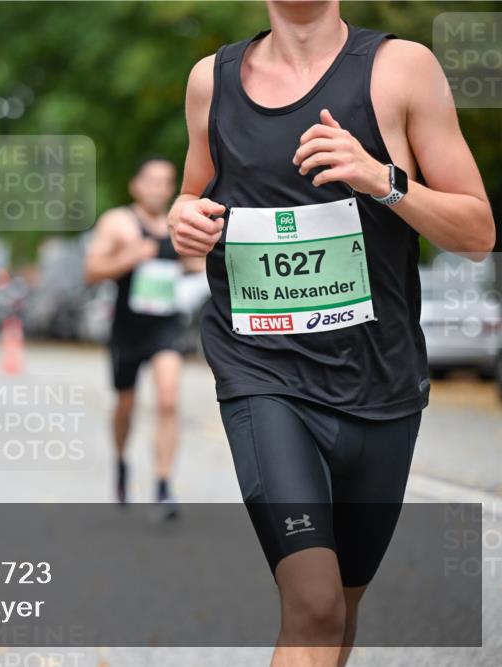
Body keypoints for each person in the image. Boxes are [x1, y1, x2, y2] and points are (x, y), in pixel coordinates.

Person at [169, 2, 495, 665]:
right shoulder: (212, 80)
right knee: (312, 601)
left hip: (381, 381)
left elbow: (478, 232)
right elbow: (191, 195)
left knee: (340, 607)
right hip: (264, 372)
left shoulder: (402, 71)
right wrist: (184, 220)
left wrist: (382, 180)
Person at [85, 157, 203, 518]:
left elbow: (197, 264)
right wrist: (129, 257)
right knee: (126, 405)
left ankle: (164, 485)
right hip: (127, 329)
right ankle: (121, 461)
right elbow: (91, 270)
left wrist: (198, 262)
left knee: (168, 401)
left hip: (165, 327)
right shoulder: (118, 223)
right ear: (136, 185)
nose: (158, 188)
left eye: (165, 181)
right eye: (151, 180)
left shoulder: (177, 224)